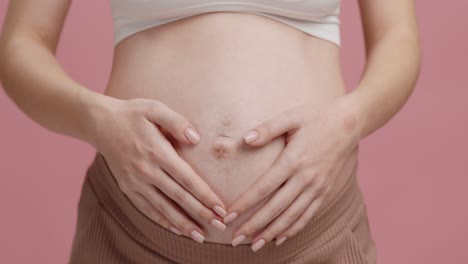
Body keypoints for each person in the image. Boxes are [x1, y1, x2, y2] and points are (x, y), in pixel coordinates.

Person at [0, 0, 421, 263]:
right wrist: (97, 119)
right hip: (129, 231)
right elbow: (23, 43)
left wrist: (349, 120)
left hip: (315, 231)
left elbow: (397, 36)